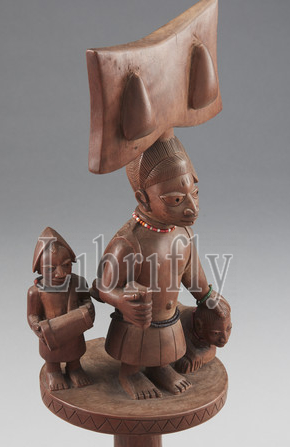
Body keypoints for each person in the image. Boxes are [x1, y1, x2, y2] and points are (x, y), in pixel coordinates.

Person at [95, 133, 229, 400]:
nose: (192, 208)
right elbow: (101, 287)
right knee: (139, 340)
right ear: (143, 199)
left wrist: (208, 297)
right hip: (136, 325)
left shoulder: (183, 234)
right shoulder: (128, 242)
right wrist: (121, 301)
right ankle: (130, 373)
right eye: (176, 200)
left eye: (194, 194)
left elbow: (192, 275)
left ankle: (160, 368)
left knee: (165, 346)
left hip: (168, 319)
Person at [27, 227, 95, 391]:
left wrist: (87, 308)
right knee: (52, 357)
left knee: (74, 353)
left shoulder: (77, 283)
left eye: (66, 265)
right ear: (40, 269)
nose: (61, 273)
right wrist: (37, 326)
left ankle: (74, 369)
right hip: (51, 333)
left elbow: (86, 299)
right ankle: (53, 372)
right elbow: (32, 315)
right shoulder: (36, 292)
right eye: (51, 269)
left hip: (74, 329)